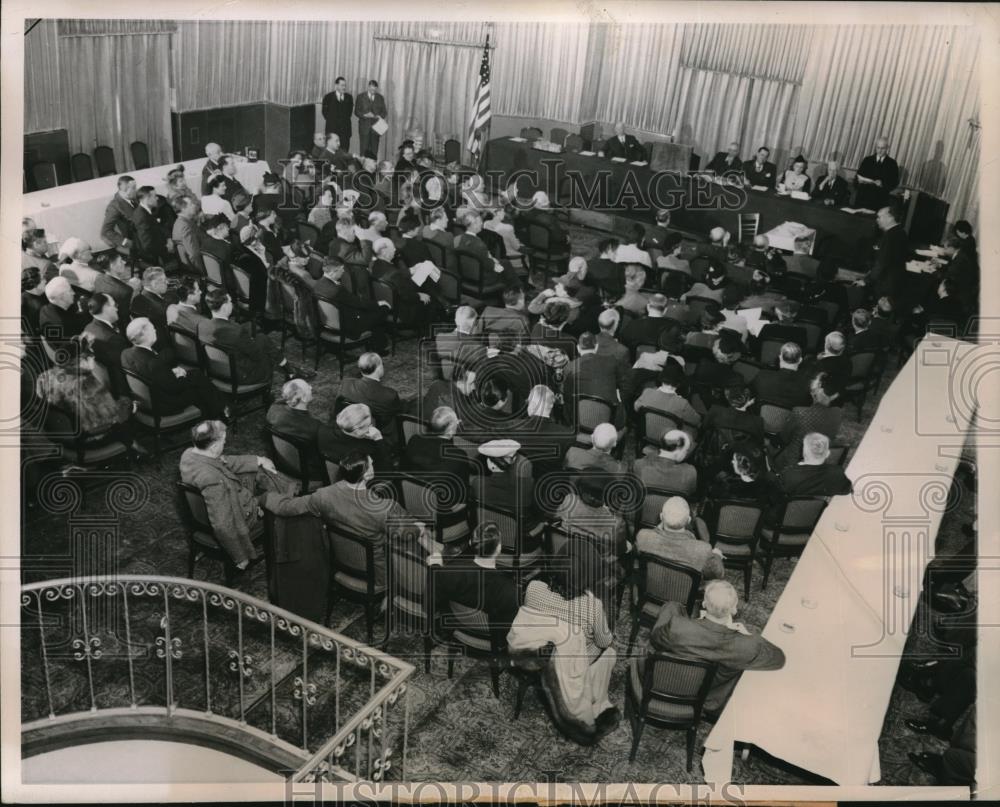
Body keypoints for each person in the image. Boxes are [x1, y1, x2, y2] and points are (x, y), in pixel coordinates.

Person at [267, 451, 431, 589]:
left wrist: (264, 497)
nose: (374, 463)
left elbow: (288, 508)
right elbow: (408, 534)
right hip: (378, 573)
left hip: (341, 560)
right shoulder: (383, 508)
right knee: (419, 537)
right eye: (372, 463)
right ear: (367, 474)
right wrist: (419, 527)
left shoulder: (324, 495)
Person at [647, 579, 785, 713]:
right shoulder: (747, 645)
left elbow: (656, 638)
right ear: (734, 609)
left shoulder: (678, 627)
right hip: (706, 697)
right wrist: (750, 634)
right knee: (673, 607)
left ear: (705, 604)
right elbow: (778, 658)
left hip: (663, 682)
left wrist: (692, 623)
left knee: (672, 606)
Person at [520, 545, 619, 733]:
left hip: (539, 653)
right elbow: (604, 642)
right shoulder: (592, 607)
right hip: (569, 662)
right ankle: (596, 705)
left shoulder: (534, 588)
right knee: (609, 651)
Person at [181, 419, 297, 570]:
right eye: (223, 442)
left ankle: (290, 493)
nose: (224, 445)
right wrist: (239, 556)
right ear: (214, 446)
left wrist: (258, 460)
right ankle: (288, 536)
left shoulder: (189, 454)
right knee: (275, 500)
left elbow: (224, 461)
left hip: (218, 502)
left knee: (261, 472)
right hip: (242, 517)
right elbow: (222, 524)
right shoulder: (212, 480)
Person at [36, 334, 139, 450]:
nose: (94, 361)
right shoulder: (86, 383)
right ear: (83, 359)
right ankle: (134, 446)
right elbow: (111, 417)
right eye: (92, 357)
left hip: (64, 439)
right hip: (90, 439)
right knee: (127, 412)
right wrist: (129, 403)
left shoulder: (43, 378)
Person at [198, 288, 310, 385]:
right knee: (266, 346)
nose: (232, 304)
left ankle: (289, 370)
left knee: (261, 338)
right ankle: (289, 370)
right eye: (230, 302)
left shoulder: (202, 325)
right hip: (242, 375)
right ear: (224, 307)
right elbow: (257, 355)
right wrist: (250, 340)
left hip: (216, 369)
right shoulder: (236, 331)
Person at [121, 317, 228, 419]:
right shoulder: (154, 363)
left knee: (196, 376)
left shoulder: (125, 354)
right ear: (144, 334)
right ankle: (220, 411)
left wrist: (170, 372)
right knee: (199, 381)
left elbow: (150, 373)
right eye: (152, 329)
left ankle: (216, 411)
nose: (155, 331)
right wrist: (180, 375)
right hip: (165, 404)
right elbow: (174, 387)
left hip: (147, 402)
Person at [434, 522, 520, 634]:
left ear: (471, 543)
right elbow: (509, 631)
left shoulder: (448, 572)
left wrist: (434, 566)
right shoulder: (508, 590)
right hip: (491, 645)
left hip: (459, 632)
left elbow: (435, 603)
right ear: (499, 548)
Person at [313, 256, 390, 352]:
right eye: (341, 270)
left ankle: (375, 340)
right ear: (333, 272)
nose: (343, 272)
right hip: (347, 325)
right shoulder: (337, 290)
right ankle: (379, 347)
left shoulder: (317, 284)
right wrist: (378, 303)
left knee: (370, 311)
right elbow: (358, 303)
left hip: (327, 323)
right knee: (382, 310)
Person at [636, 497, 722, 578]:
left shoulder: (642, 536)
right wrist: (717, 555)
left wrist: (659, 526)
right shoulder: (703, 549)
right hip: (684, 592)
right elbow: (718, 574)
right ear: (688, 520)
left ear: (661, 517)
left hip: (651, 589)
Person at [337, 352, 404, 445]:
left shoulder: (346, 384)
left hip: (353, 426)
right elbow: (398, 412)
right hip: (380, 433)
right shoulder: (389, 395)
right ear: (379, 368)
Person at [633, 360, 701, 444]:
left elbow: (636, 407)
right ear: (679, 384)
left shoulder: (647, 392)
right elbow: (697, 421)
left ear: (661, 379)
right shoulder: (682, 403)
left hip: (648, 435)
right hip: (669, 442)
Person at [777, 432, 852, 497]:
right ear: (827, 453)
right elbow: (847, 490)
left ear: (803, 452)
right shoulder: (838, 473)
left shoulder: (789, 475)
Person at [82, 293, 129, 393]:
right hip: (122, 386)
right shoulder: (112, 339)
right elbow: (128, 364)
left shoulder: (88, 327)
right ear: (106, 308)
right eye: (114, 305)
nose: (117, 309)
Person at [634, 429, 698, 497]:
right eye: (686, 451)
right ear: (678, 450)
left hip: (646, 506)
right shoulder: (690, 473)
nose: (686, 454)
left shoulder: (639, 465)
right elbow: (691, 493)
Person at [751, 342, 812, 408]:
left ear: (780, 357)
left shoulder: (762, 376)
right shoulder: (808, 386)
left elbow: (751, 394)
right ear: (800, 360)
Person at [854, 136, 900, 210]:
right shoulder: (867, 160)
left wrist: (882, 184)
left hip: (879, 201)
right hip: (863, 199)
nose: (879, 151)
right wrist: (858, 181)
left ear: (887, 148)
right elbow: (857, 177)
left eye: (882, 148)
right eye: (878, 148)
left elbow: (894, 182)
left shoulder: (892, 164)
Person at [39, 276, 89, 343]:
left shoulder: (44, 309)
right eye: (70, 290)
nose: (73, 293)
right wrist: (82, 312)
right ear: (61, 297)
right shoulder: (64, 325)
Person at [131, 186, 171, 266]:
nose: (157, 198)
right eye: (154, 196)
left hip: (158, 245)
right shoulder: (142, 216)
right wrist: (166, 247)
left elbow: (158, 228)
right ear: (146, 199)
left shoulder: (145, 210)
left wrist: (168, 238)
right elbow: (147, 245)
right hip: (152, 255)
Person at [100, 175, 138, 254]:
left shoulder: (134, 198)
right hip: (136, 243)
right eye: (134, 188)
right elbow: (106, 231)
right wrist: (125, 242)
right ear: (126, 190)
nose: (136, 190)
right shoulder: (114, 206)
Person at [171, 194, 204, 273]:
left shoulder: (179, 222)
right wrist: (203, 275)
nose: (194, 206)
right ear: (183, 208)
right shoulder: (186, 226)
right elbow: (194, 255)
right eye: (191, 204)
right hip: (198, 269)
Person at [355, 79, 388, 158]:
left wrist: (379, 116)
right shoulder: (360, 97)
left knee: (374, 151)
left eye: (375, 89)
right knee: (363, 151)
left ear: (377, 88)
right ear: (368, 87)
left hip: (376, 129)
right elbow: (356, 111)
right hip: (364, 128)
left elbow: (384, 112)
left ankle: (373, 169)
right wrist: (364, 115)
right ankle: (362, 169)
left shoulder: (380, 98)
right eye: (371, 89)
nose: (373, 90)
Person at [322, 76, 354, 149]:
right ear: (336, 85)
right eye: (342, 85)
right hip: (332, 130)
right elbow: (325, 113)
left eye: (345, 85)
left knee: (344, 152)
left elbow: (349, 113)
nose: (344, 87)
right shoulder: (328, 97)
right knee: (332, 153)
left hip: (345, 132)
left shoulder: (349, 97)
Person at [21, 267, 48, 337]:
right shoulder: (22, 303)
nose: (45, 281)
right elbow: (28, 329)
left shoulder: (45, 292)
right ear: (35, 283)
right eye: (43, 279)